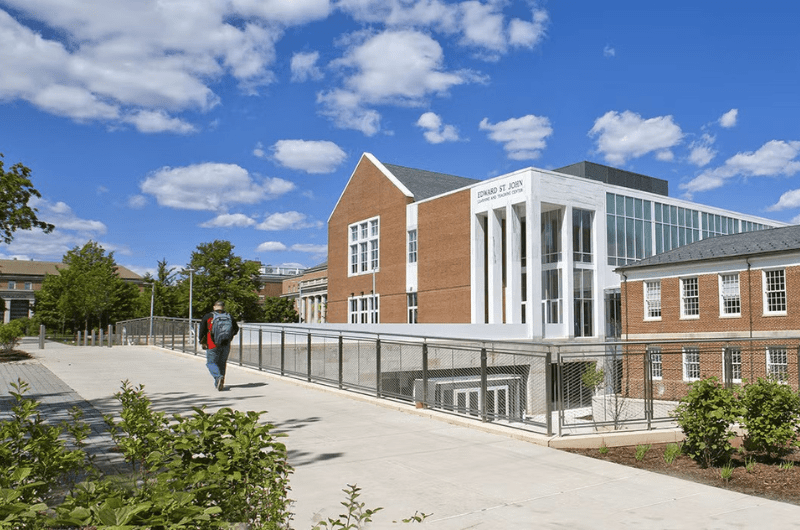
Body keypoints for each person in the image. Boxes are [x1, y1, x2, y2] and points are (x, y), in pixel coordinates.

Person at [198, 300, 239, 391]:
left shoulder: (209, 316)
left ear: (214, 307)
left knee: (211, 363)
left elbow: (202, 331)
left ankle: (218, 377)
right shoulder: (229, 316)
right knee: (222, 363)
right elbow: (236, 329)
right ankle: (220, 383)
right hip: (226, 344)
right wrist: (229, 337)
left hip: (212, 344)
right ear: (223, 307)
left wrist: (202, 341)